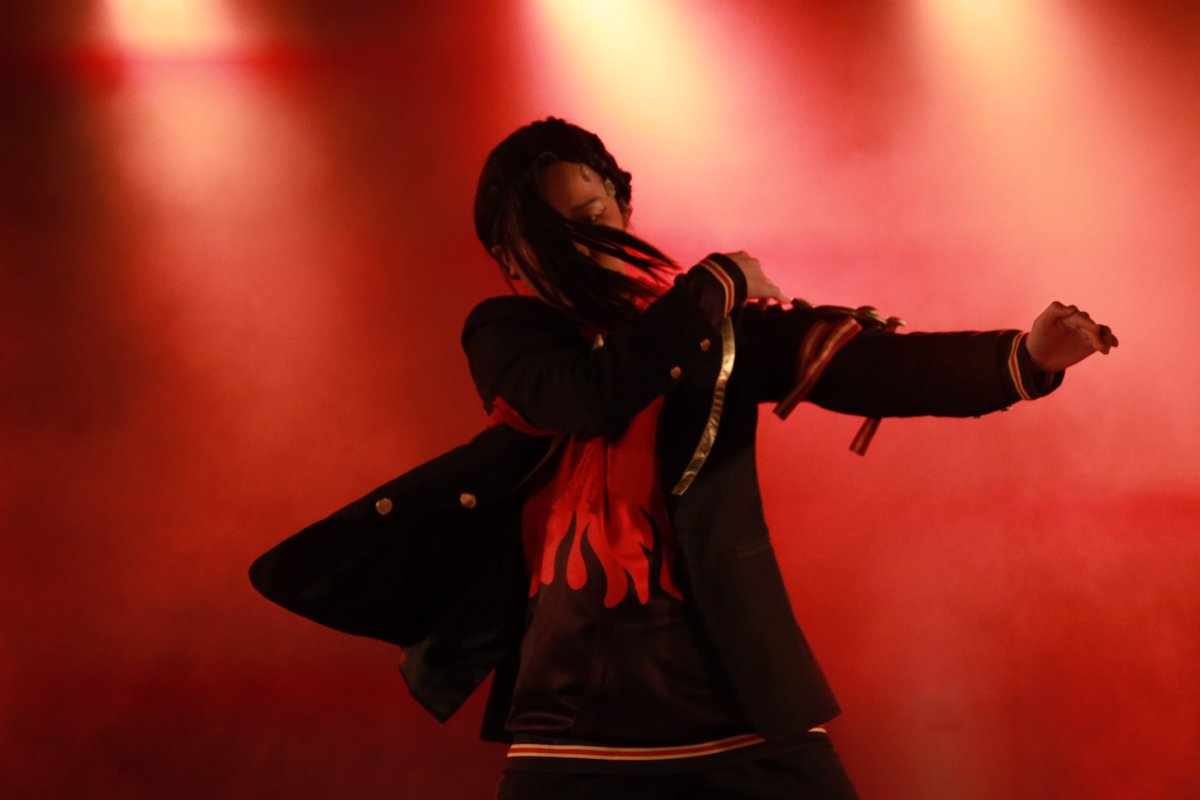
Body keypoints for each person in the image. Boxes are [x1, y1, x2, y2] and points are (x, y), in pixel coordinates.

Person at [250, 118, 1117, 799]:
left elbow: (873, 368)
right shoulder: (510, 335)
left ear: (624, 209)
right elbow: (588, 395)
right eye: (552, 234)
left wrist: (1023, 360)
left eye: (594, 218)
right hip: (571, 723)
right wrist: (712, 286)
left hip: (737, 703)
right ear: (510, 259)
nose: (582, 245)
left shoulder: (719, 331)